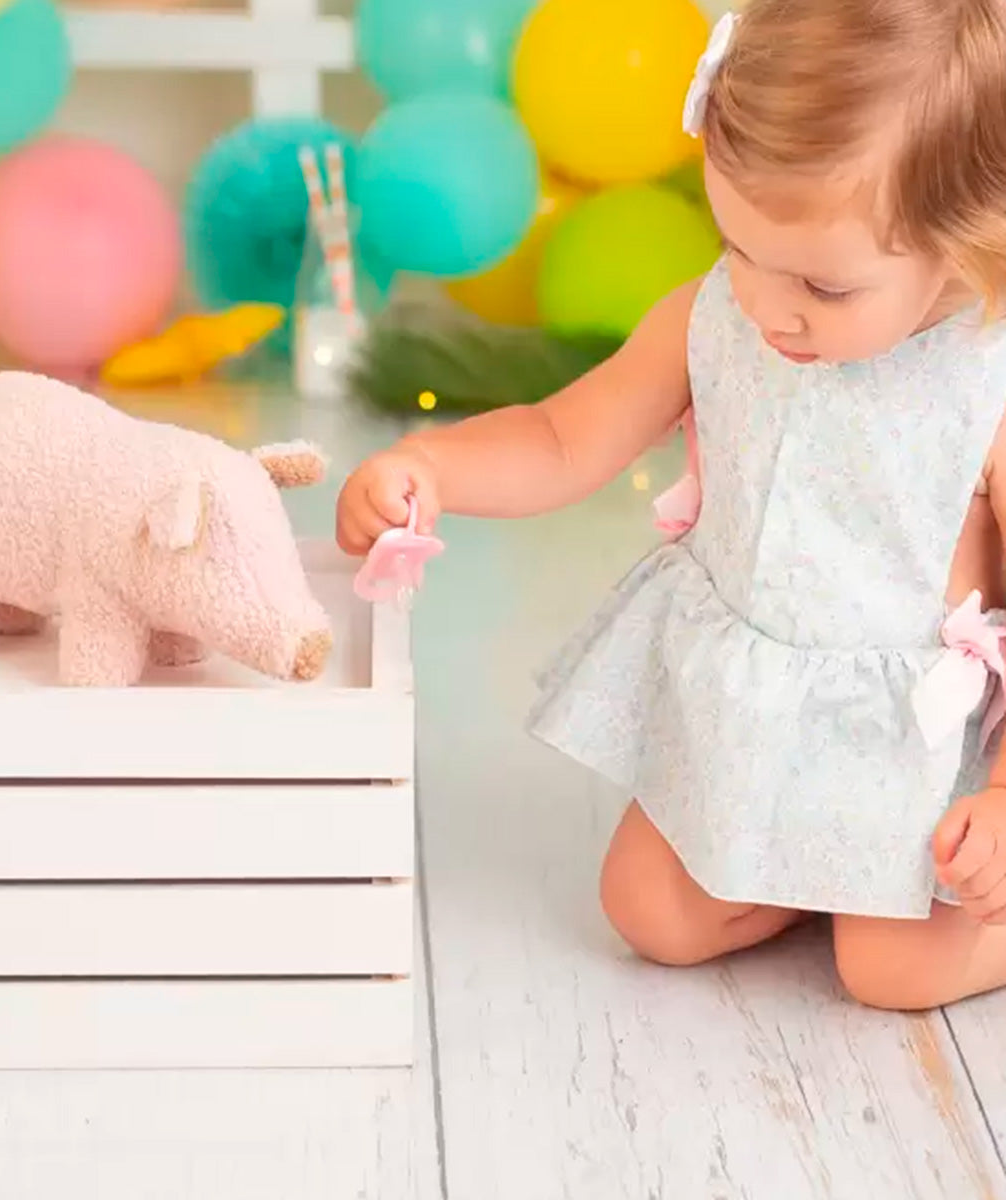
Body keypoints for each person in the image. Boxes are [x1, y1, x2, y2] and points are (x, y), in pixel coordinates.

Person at [335, 0, 1006, 1011]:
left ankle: (896, 884)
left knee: (891, 970)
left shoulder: (983, 385)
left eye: (824, 287)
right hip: (759, 718)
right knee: (651, 911)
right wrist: (432, 466)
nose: (768, 307)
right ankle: (815, 870)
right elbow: (563, 437)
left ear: (965, 244)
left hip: (914, 745)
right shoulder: (716, 317)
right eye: (737, 245)